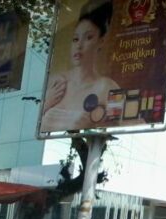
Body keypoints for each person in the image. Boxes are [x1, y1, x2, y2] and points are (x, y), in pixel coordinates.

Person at [40, 0, 120, 132]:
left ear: (101, 41)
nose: (79, 45)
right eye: (76, 39)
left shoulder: (107, 88)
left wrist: (92, 124)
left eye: (88, 37)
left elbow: (121, 126)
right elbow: (31, 125)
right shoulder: (56, 83)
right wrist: (46, 103)